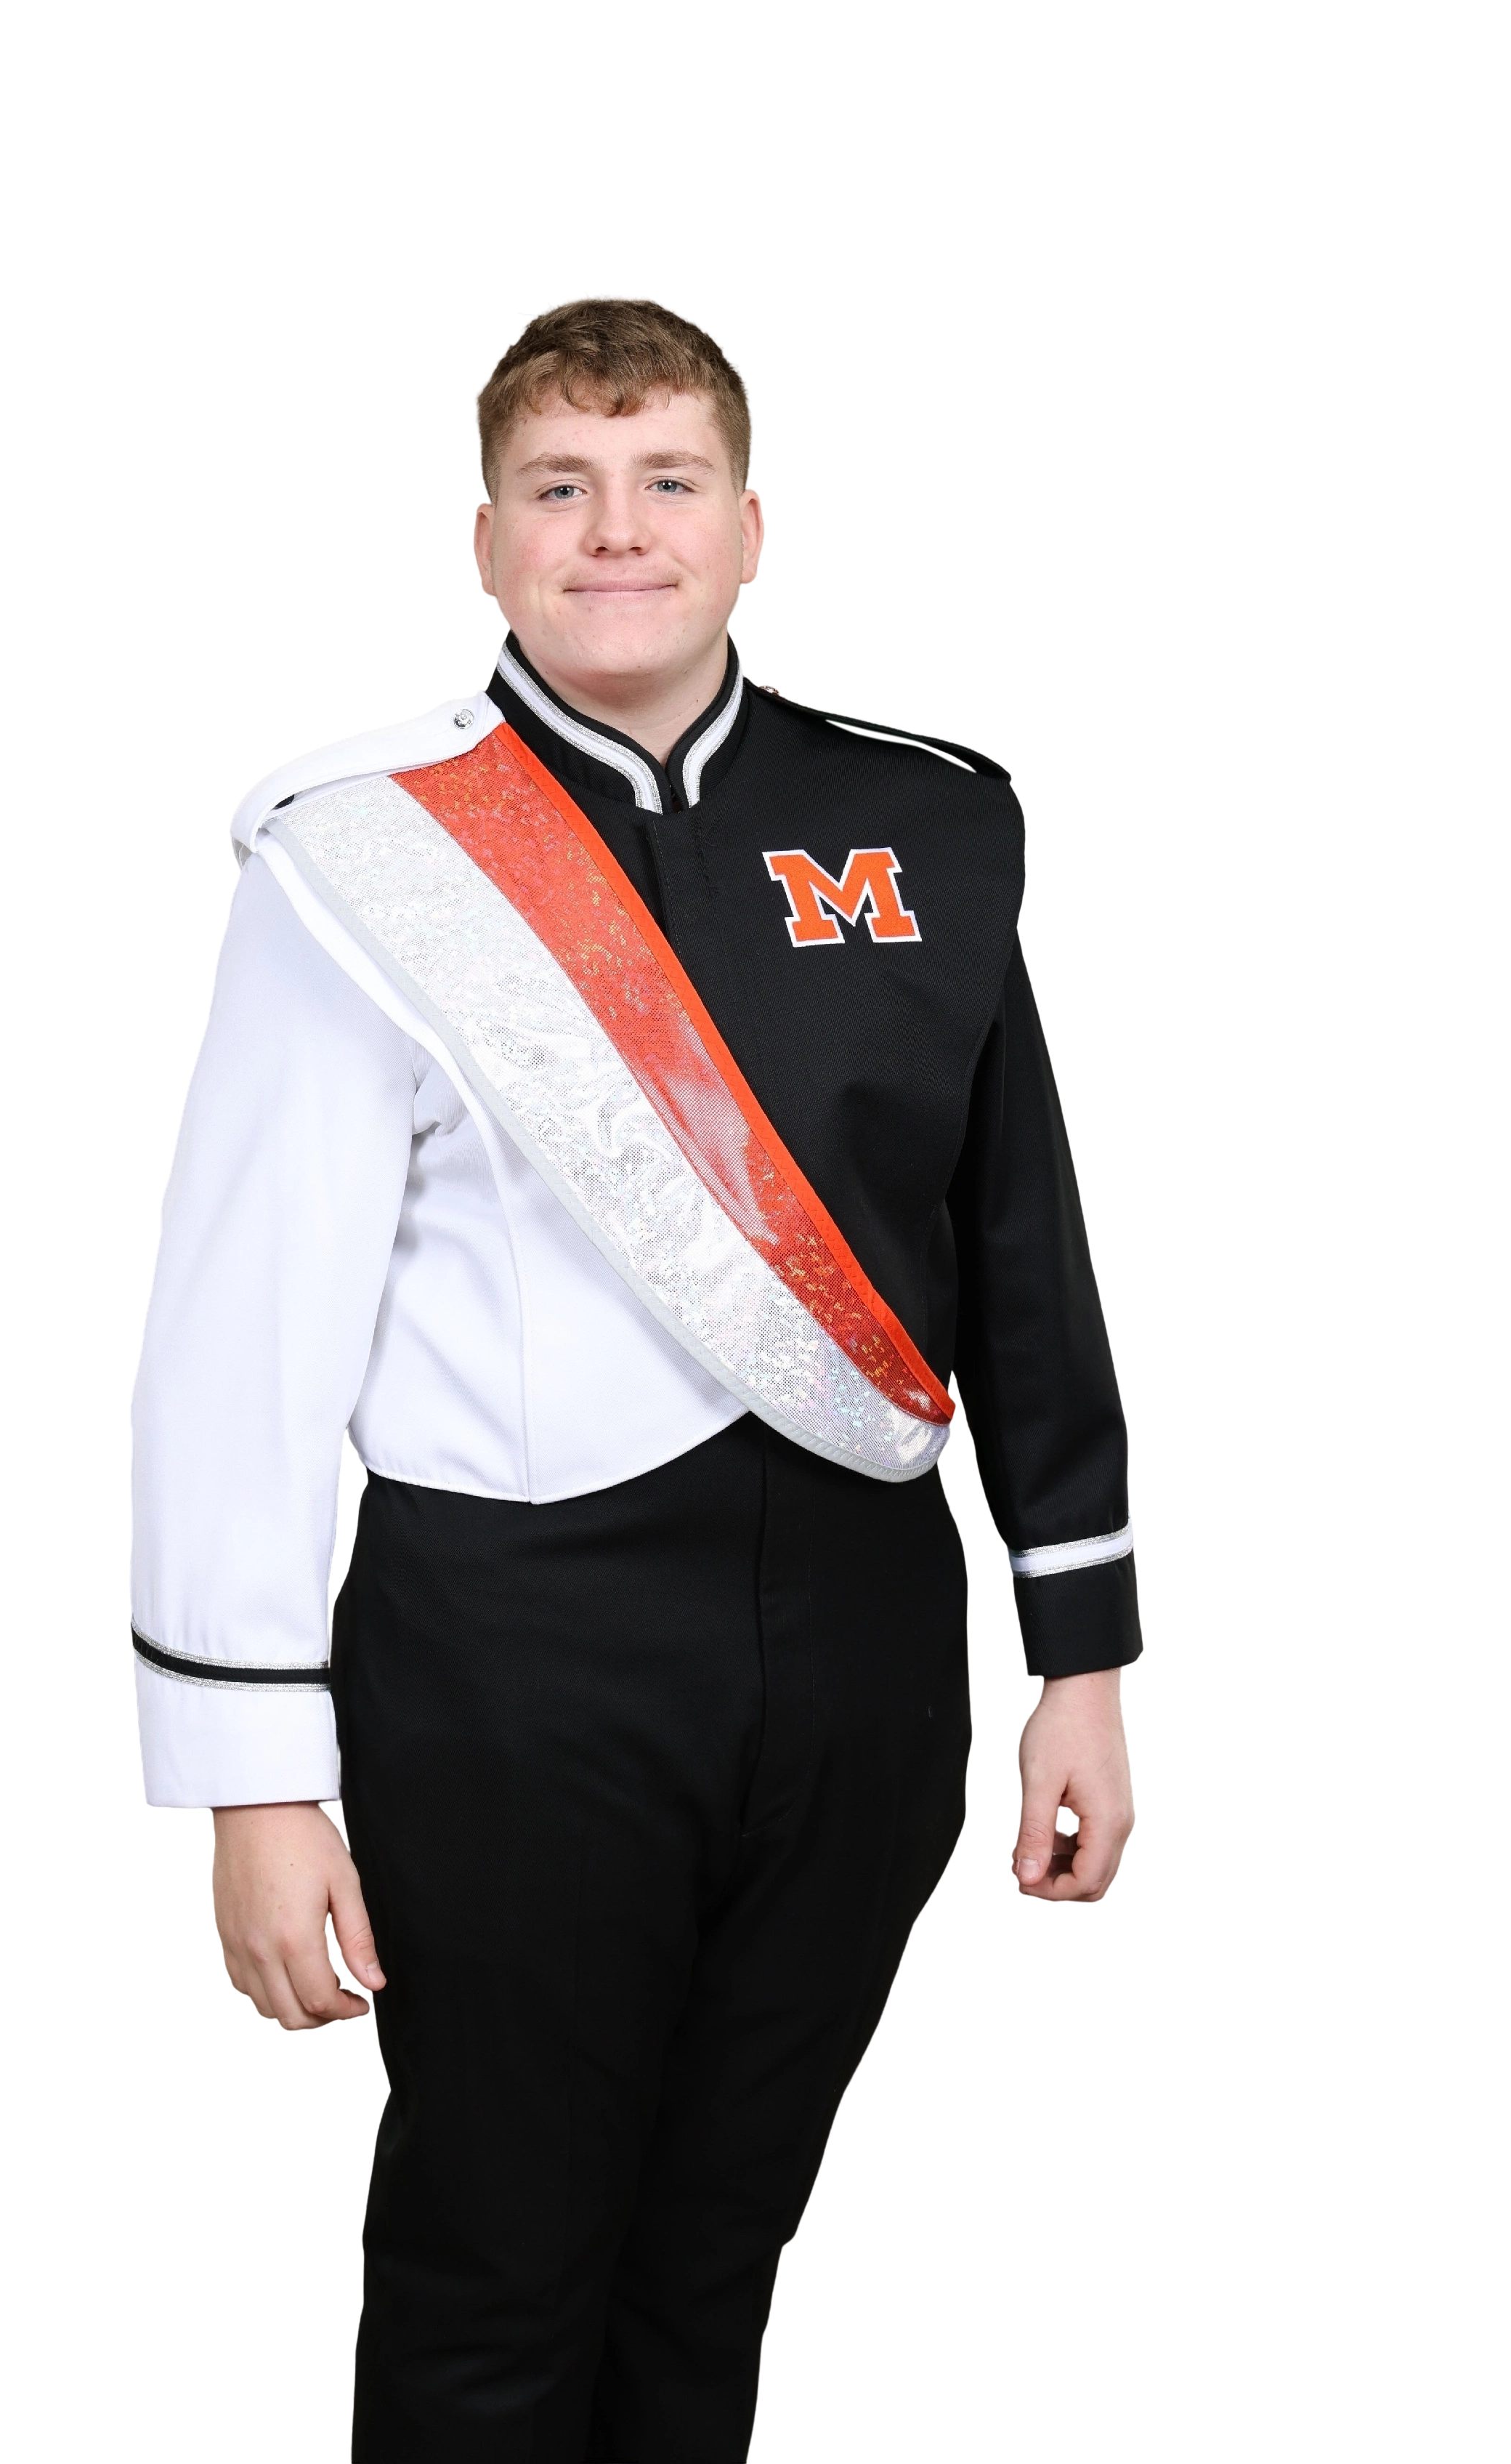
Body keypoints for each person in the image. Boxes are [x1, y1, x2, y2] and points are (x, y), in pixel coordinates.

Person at [129, 291, 1141, 2464]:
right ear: (486, 543)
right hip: (514, 1658)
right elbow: (233, 1349)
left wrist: (1082, 1655)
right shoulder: (359, 856)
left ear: (752, 525)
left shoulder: (933, 820)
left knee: (711, 2277)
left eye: (669, 478)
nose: (617, 530)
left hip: (865, 1646)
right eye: (559, 486)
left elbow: (1020, 1249)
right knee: (495, 2285)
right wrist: (256, 1781)